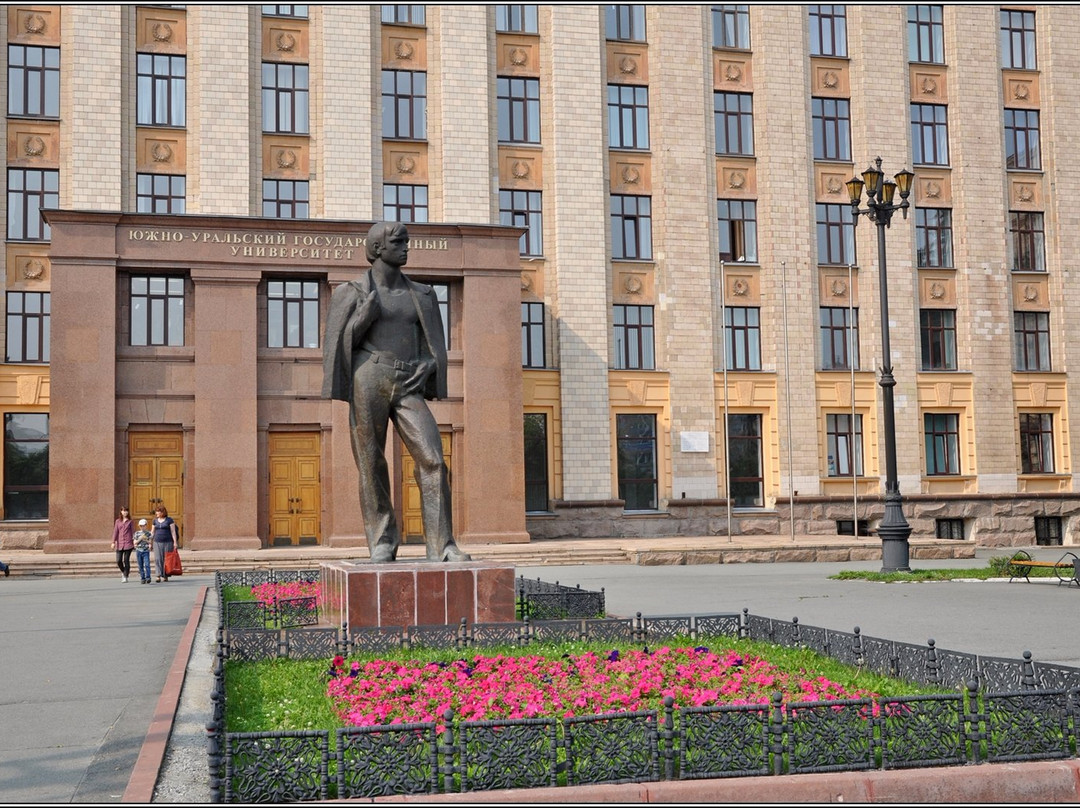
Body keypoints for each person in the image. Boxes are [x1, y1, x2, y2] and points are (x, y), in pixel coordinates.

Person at [322, 221, 471, 564]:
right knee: (370, 461)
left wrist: (429, 365)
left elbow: (434, 346)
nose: (406, 248)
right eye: (399, 242)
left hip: (408, 382)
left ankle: (442, 545)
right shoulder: (351, 292)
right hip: (368, 376)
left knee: (433, 459)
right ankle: (382, 541)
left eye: (407, 242)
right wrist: (362, 319)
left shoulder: (422, 294)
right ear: (377, 249)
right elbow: (335, 346)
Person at [151, 505, 178, 582]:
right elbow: (152, 532)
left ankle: (166, 575)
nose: (156, 513)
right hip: (157, 542)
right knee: (158, 558)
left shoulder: (169, 520)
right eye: (156, 511)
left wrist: (175, 542)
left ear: (162, 512)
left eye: (158, 511)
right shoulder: (155, 520)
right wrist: (149, 542)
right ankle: (158, 575)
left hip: (168, 542)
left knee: (167, 559)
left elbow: (173, 531)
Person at [111, 506, 135, 583]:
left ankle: (125, 576)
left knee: (126, 560)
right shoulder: (118, 521)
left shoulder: (130, 521)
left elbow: (133, 532)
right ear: (121, 512)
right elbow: (115, 532)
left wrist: (134, 541)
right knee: (118, 560)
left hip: (128, 543)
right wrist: (113, 542)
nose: (125, 512)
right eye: (124, 511)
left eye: (126, 511)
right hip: (120, 543)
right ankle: (124, 571)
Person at [133, 519, 153, 584]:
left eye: (144, 526)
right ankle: (142, 578)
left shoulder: (148, 533)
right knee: (140, 565)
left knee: (147, 564)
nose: (142, 527)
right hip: (139, 550)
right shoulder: (137, 533)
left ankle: (148, 577)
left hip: (146, 550)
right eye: (141, 526)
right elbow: (135, 542)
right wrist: (140, 538)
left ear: (146, 525)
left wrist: (146, 540)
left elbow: (150, 542)